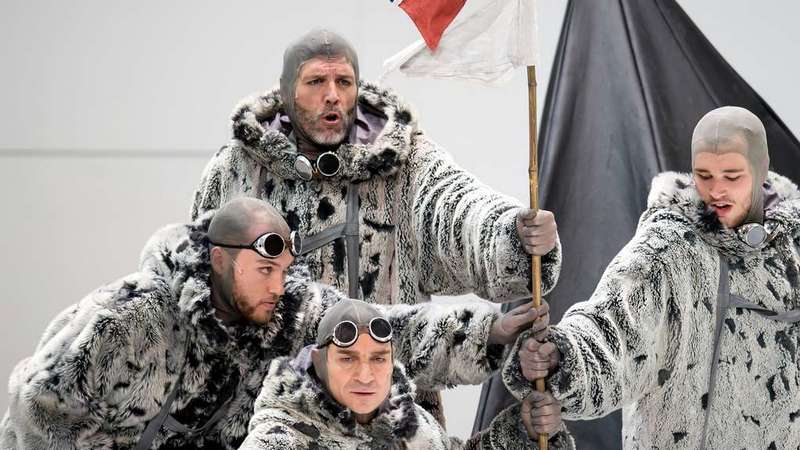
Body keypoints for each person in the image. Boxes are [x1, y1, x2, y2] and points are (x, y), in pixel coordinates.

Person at [191, 29, 561, 422]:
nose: (332, 94)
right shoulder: (237, 169)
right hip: (263, 421)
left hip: (389, 417)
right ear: (285, 93)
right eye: (316, 81)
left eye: (343, 82)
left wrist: (511, 233)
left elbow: (457, 207)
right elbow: (198, 290)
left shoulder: (405, 163)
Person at [1, 198, 548, 450]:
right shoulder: (124, 319)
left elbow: (377, 333)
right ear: (219, 260)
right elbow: (35, 410)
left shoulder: (282, 309)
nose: (278, 284)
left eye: (286, 270)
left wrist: (488, 332)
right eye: (265, 270)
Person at [504, 106, 800, 449]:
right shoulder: (669, 247)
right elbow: (612, 325)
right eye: (704, 175)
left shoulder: (793, 248)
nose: (717, 190)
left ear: (761, 169)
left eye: (732, 176)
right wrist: (561, 357)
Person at [240, 298, 574, 450]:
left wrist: (524, 433)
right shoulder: (279, 440)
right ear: (318, 361)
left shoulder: (409, 424)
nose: (366, 376)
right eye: (348, 360)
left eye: (378, 359)